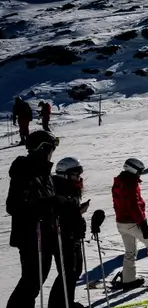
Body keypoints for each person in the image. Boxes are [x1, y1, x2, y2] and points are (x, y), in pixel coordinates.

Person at [6, 130, 61, 307]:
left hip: (45, 235)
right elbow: (14, 206)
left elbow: (48, 202)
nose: (52, 153)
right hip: (31, 237)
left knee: (35, 281)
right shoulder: (24, 172)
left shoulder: (43, 173)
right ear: (43, 149)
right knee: (31, 282)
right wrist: (47, 204)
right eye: (51, 149)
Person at [112, 158, 148, 289]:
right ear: (133, 170)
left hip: (121, 223)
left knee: (130, 251)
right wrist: (143, 224)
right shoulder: (130, 183)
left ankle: (128, 280)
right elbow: (134, 205)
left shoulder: (119, 182)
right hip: (133, 222)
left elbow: (118, 203)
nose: (140, 174)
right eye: (140, 171)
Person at [50, 157, 89, 308]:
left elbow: (70, 211)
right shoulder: (60, 188)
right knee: (68, 273)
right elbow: (62, 213)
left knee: (74, 271)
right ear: (65, 174)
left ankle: (67, 303)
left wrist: (79, 212)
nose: (78, 177)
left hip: (73, 235)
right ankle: (59, 304)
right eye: (75, 174)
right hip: (64, 237)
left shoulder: (70, 187)